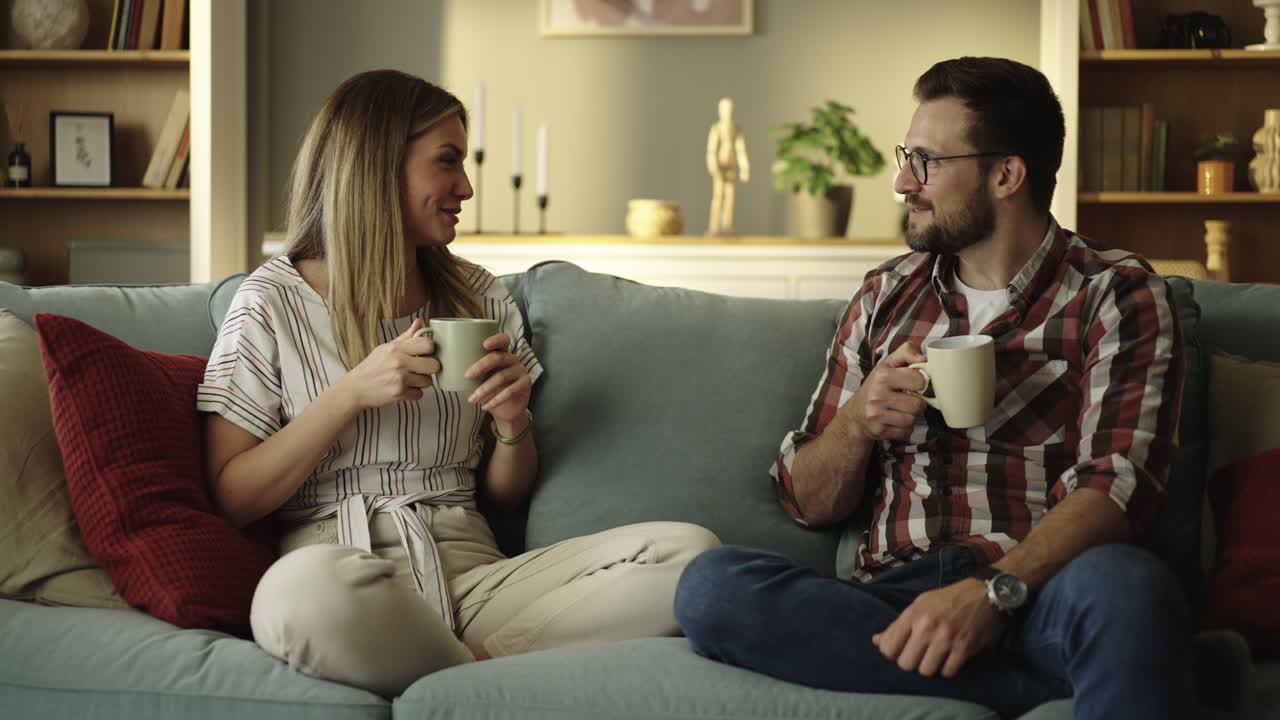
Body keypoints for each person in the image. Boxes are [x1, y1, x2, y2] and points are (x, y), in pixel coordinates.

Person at [674, 57, 1193, 719]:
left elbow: (1118, 486)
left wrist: (991, 592)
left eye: (926, 162)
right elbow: (806, 501)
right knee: (712, 588)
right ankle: (1041, 684)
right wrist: (858, 422)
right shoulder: (886, 294)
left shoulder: (1114, 293)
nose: (902, 182)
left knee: (1128, 587)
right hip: (894, 600)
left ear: (1005, 175)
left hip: (1041, 592)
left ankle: (1014, 662)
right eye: (906, 159)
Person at [197, 69, 718, 698]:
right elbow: (234, 496)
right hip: (345, 569)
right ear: (378, 165)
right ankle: (478, 676)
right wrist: (350, 393)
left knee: (690, 552)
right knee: (292, 596)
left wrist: (512, 421)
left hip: (474, 576)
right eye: (447, 161)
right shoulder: (270, 303)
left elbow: (505, 495)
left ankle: (459, 670)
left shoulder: (480, 298)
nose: (466, 187)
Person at [705, 96, 749, 235]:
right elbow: (711, 150)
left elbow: (740, 150)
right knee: (718, 196)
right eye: (725, 110)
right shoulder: (717, 128)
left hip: (730, 166)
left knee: (730, 197)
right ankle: (714, 226)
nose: (728, 113)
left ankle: (727, 226)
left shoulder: (736, 129)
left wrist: (744, 167)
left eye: (730, 110)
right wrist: (713, 166)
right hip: (720, 166)